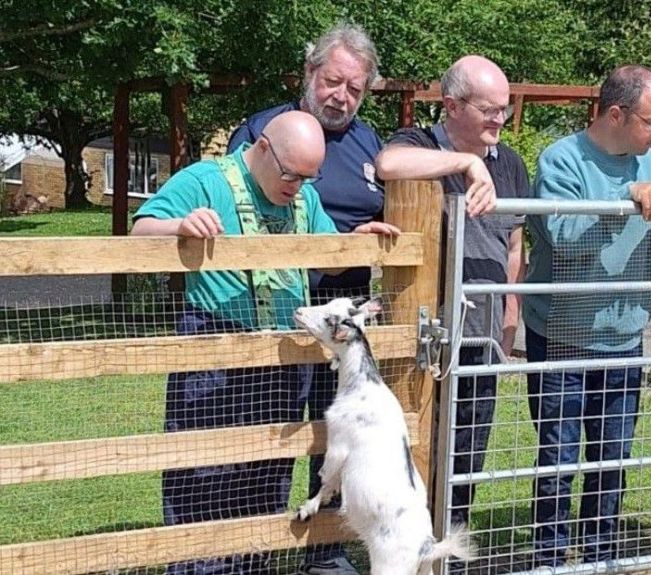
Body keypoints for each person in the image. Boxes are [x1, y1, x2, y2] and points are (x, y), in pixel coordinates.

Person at [132, 111, 340, 575]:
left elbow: (331, 247)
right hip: (217, 350)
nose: (298, 186)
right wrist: (180, 226)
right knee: (205, 471)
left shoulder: (303, 197)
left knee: (268, 475)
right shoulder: (206, 181)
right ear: (263, 148)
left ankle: (252, 565)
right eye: (291, 174)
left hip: (287, 356)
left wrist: (362, 242)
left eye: (309, 177)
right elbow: (140, 230)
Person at [226, 23, 397, 575]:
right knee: (271, 433)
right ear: (309, 73)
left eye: (354, 87)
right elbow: (239, 215)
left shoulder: (373, 144)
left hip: (350, 317)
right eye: (332, 81)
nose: (340, 96)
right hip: (280, 309)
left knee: (340, 439)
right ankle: (254, 546)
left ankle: (325, 550)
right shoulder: (265, 130)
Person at [522, 65, 651, 567]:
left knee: (613, 458)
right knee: (559, 458)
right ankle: (551, 558)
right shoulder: (561, 160)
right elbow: (562, 239)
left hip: (626, 338)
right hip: (561, 335)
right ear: (617, 114)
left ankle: (601, 554)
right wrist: (622, 198)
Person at [374, 55, 524, 538]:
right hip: (428, 339)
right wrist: (467, 164)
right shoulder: (418, 143)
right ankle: (407, 550)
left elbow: (515, 245)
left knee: (467, 454)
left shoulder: (512, 163)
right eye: (489, 110)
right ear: (452, 105)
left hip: (482, 336)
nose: (500, 119)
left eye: (504, 109)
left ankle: (448, 550)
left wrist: (509, 315)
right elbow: (387, 164)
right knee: (417, 449)